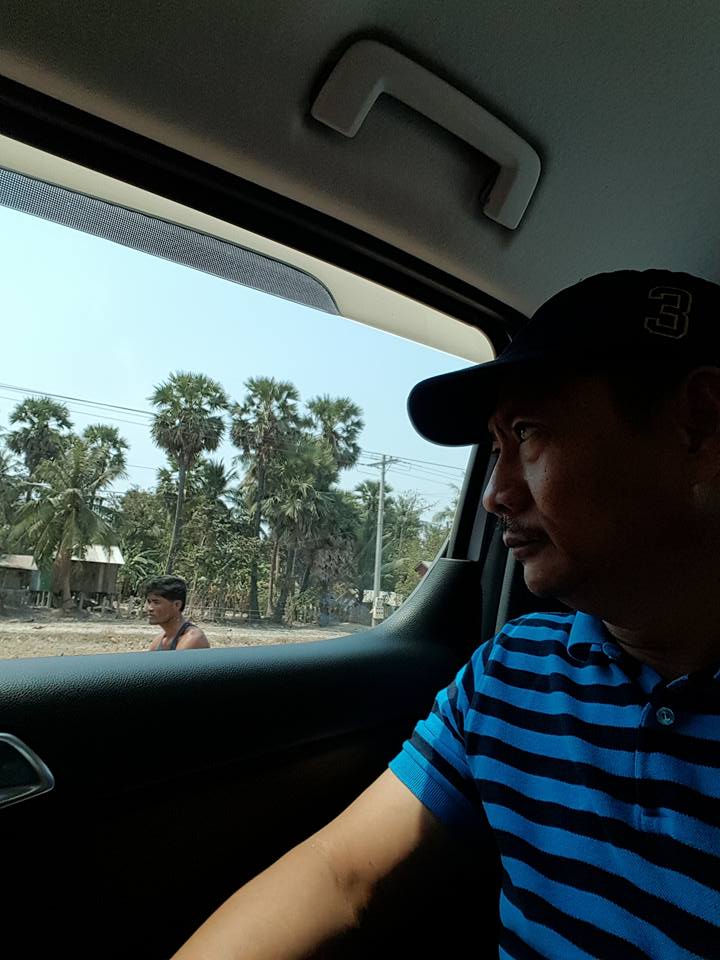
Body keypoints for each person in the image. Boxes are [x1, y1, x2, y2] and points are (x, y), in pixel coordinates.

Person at [173, 269, 720, 958]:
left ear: (699, 425)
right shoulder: (509, 674)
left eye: (527, 432)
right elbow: (340, 873)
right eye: (496, 448)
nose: (495, 493)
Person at [144, 575, 209, 650]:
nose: (150, 608)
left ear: (177, 605)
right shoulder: (158, 641)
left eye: (156, 602)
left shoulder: (193, 638)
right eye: (149, 602)